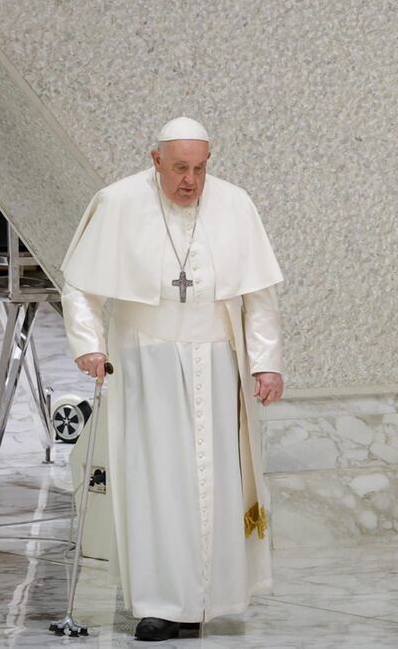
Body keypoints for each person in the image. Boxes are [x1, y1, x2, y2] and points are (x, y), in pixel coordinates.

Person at [60, 117, 285, 641]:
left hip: (217, 357)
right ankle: (160, 603)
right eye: (180, 168)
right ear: (155, 158)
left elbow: (260, 296)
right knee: (157, 480)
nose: (191, 181)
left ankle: (211, 597)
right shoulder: (117, 203)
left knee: (214, 482)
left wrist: (265, 361)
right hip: (146, 360)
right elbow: (80, 286)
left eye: (201, 168)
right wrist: (90, 345)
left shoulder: (234, 204)